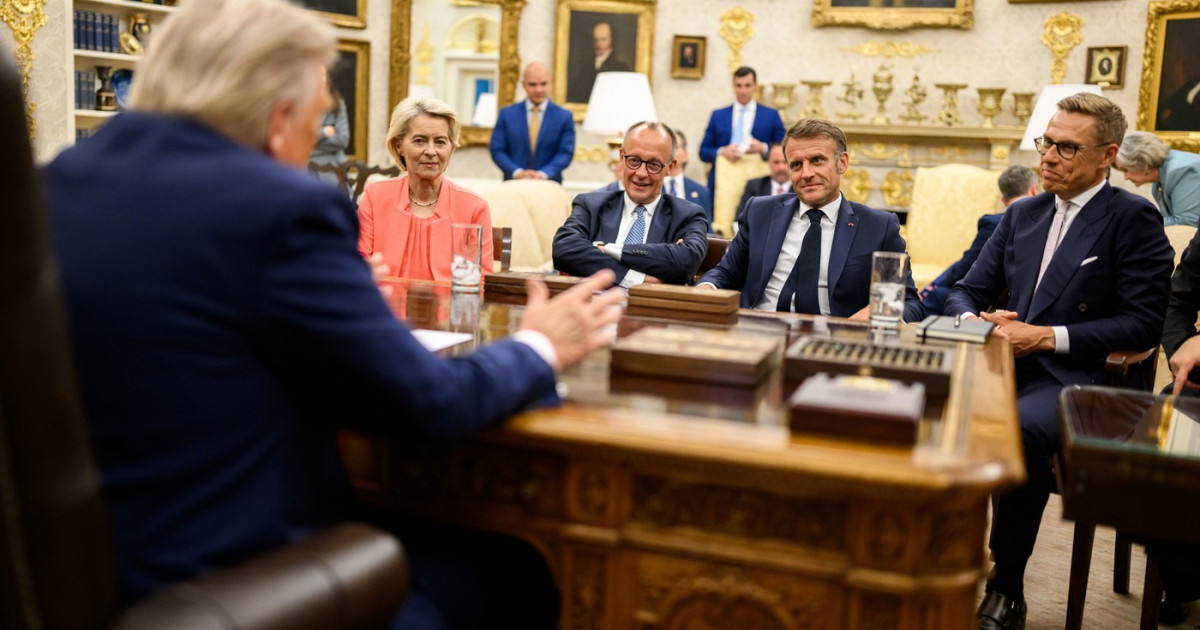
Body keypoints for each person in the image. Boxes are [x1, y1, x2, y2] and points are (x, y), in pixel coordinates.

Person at [41, 1, 626, 629]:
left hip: (76, 575)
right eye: (318, 118)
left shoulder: (53, 185)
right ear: (279, 118)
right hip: (233, 575)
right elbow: (428, 402)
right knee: (520, 569)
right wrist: (538, 345)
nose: (321, 134)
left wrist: (335, 298)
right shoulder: (282, 209)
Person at [942, 92, 1174, 630]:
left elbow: (1143, 325)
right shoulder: (1023, 213)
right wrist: (976, 320)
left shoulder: (1133, 218)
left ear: (1108, 156)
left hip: (1083, 376)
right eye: (1046, 142)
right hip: (1001, 363)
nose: (1047, 156)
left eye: (1066, 147)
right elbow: (964, 290)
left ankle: (1006, 585)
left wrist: (1046, 337)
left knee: (1016, 428)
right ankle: (929, 557)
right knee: (917, 403)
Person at [697, 118, 924, 322]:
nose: (806, 173)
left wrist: (874, 313)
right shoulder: (759, 212)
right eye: (796, 164)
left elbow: (910, 303)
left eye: (817, 161)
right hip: (757, 330)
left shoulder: (878, 228)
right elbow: (726, 273)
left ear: (842, 163)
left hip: (832, 340)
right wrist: (705, 288)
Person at [552, 121, 709, 287]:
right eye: (634, 160)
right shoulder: (591, 205)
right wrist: (633, 278)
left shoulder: (687, 215)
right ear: (621, 157)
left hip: (650, 303)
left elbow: (686, 261)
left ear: (670, 167)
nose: (641, 173)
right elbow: (563, 249)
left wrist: (610, 250)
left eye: (653, 165)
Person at [358, 96, 493, 282]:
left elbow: (481, 282)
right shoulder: (375, 196)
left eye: (440, 142)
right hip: (384, 300)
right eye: (420, 140)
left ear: (451, 149)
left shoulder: (474, 208)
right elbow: (357, 266)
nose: (431, 151)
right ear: (399, 147)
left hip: (449, 302)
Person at [919, 165, 1039, 315]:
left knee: (941, 294)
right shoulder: (1047, 223)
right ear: (1034, 190)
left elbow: (964, 270)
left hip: (990, 301)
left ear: (1003, 200)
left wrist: (935, 286)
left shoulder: (996, 223)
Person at [698, 66, 787, 197]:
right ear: (733, 87)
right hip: (724, 181)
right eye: (739, 86)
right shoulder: (718, 116)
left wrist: (763, 147)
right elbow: (703, 151)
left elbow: (785, 147)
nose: (743, 91)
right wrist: (722, 151)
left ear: (755, 86)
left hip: (758, 181)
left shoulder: (771, 115)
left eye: (747, 85)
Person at [489, 62, 575, 183]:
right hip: (513, 185)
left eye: (543, 84)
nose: (538, 89)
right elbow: (497, 149)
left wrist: (543, 174)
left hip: (550, 185)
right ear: (523, 85)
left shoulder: (564, 116)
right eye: (532, 84)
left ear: (551, 83)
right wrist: (518, 172)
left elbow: (565, 153)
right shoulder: (506, 114)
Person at [1115, 130, 1200, 227]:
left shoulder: (1183, 171)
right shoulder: (1159, 178)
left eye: (1125, 170)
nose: (1125, 177)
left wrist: (1139, 225)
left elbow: (1187, 224)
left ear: (1142, 161)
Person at [568, 21, 631, 104]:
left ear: (612, 39)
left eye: (603, 39)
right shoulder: (584, 66)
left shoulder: (621, 68)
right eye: (596, 40)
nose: (599, 44)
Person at [309, 69, 349, 190]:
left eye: (322, 74)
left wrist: (311, 146)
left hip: (334, 167)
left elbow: (342, 140)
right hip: (305, 167)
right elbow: (296, 140)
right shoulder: (298, 104)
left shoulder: (337, 103)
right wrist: (323, 132)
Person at [662, 129, 713, 223]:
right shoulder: (651, 188)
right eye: (668, 147)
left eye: (676, 147)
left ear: (686, 155)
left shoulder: (701, 192)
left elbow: (707, 227)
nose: (671, 151)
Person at [735, 142, 792, 223]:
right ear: (768, 163)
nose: (781, 168)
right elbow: (740, 219)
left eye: (785, 162)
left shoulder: (800, 189)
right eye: (776, 162)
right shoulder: (754, 186)